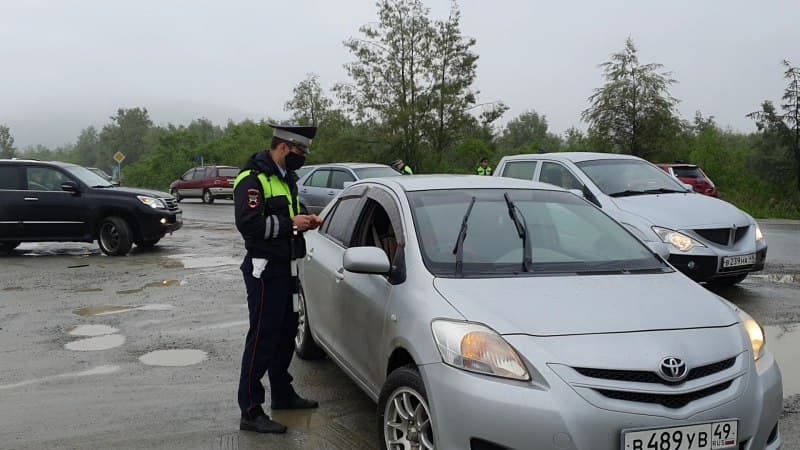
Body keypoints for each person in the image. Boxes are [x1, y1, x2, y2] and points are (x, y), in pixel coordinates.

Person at [233, 124, 323, 434]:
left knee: (286, 333)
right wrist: (290, 224)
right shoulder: (252, 179)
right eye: (300, 152)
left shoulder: (288, 180)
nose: (302, 158)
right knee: (262, 338)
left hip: (288, 267)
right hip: (264, 270)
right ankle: (250, 410)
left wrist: (307, 220)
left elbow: (293, 215)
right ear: (283, 147)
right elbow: (250, 226)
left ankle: (282, 394)